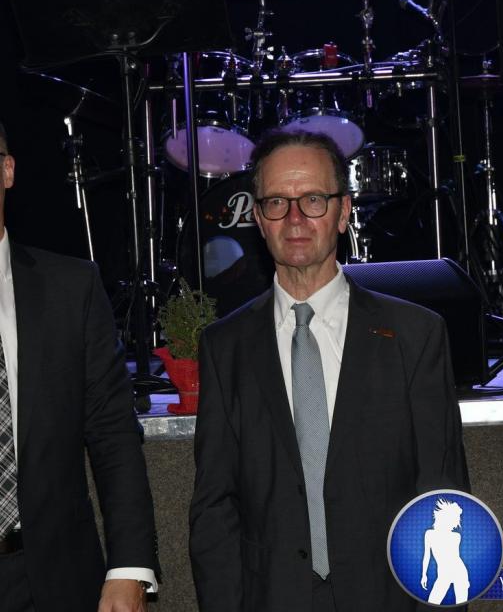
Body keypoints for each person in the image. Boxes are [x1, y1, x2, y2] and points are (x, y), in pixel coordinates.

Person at [190, 129, 469, 611]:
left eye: (314, 200)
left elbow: (442, 493)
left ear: (343, 213)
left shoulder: (415, 335)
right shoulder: (224, 347)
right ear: (258, 219)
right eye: (277, 202)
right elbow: (215, 508)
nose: (295, 218)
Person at [0, 122, 158, 611]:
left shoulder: (72, 289)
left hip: (51, 580)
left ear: (7, 170)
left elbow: (113, 436)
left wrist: (129, 567)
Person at [421, 499, 469, 605]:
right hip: (443, 574)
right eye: (455, 519)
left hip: (459, 572)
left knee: (461, 604)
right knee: (432, 603)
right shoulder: (429, 534)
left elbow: (456, 557)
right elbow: (426, 556)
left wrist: (465, 580)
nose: (456, 523)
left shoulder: (456, 536)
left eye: (457, 519)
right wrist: (424, 574)